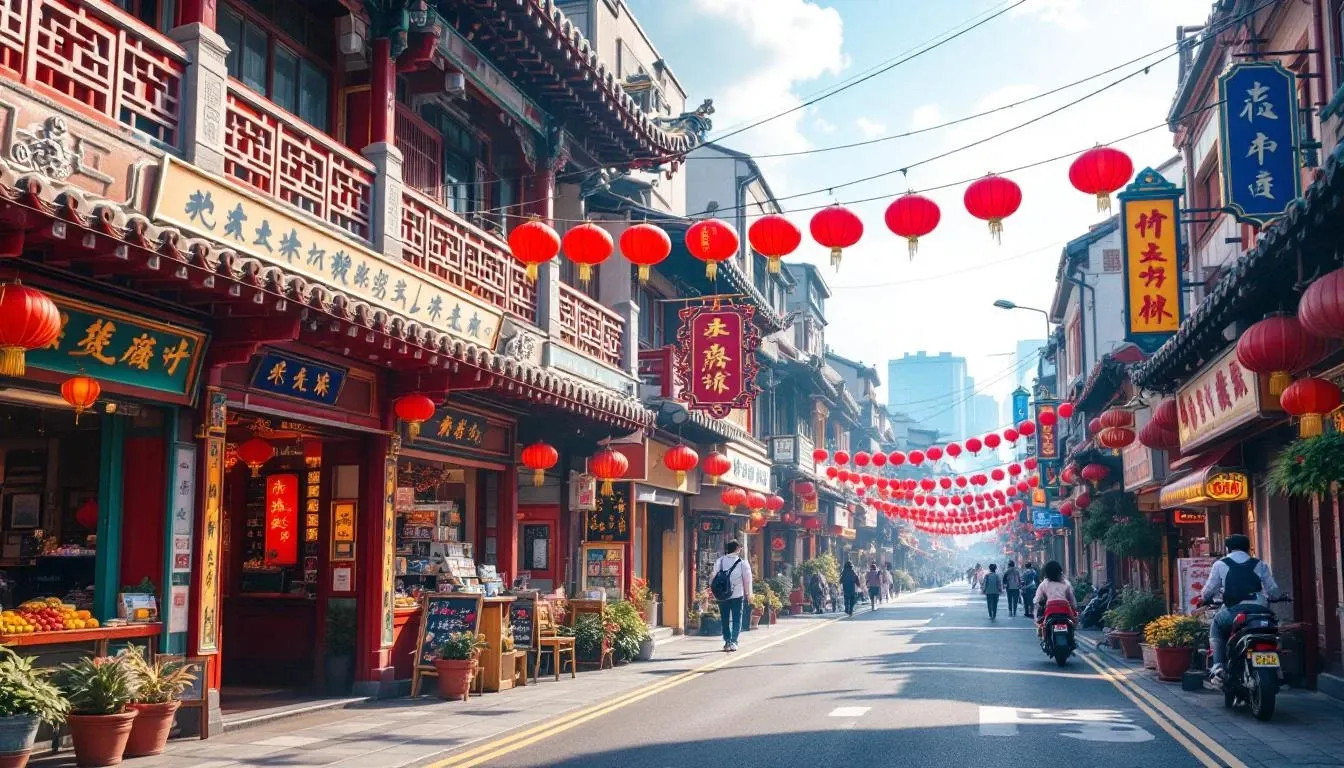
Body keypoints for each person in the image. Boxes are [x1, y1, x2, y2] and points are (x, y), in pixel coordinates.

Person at [1201, 534, 1281, 679]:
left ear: (1228, 548)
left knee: (1217, 625)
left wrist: (1204, 599)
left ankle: (1218, 666)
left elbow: (1209, 590)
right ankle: (1276, 666)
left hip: (1234, 611)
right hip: (1260, 611)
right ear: (1248, 548)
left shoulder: (1221, 564)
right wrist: (1276, 597)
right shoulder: (1259, 564)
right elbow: (1274, 591)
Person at [711, 539, 752, 652]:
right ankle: (734, 641)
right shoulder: (742, 563)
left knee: (724, 619)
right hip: (737, 595)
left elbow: (713, 577)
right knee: (736, 619)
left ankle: (727, 641)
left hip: (722, 595)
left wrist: (713, 593)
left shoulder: (720, 561)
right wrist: (748, 594)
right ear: (737, 549)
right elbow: (747, 580)